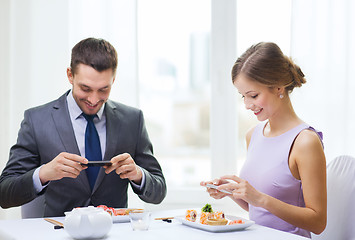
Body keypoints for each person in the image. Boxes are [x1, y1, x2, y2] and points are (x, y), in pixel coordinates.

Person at [0, 38, 167, 217]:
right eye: (85, 88)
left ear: (113, 80)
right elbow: (5, 194)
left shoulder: (132, 120)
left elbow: (159, 191)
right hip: (58, 235)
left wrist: (139, 175)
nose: (94, 99)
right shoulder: (36, 120)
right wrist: (43, 173)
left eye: (103, 89)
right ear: (70, 75)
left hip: (115, 234)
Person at [200, 42, 326, 238]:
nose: (247, 105)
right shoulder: (253, 135)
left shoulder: (305, 142)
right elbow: (258, 210)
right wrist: (232, 192)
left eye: (253, 95)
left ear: (278, 87)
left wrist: (260, 198)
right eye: (243, 96)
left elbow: (318, 222)